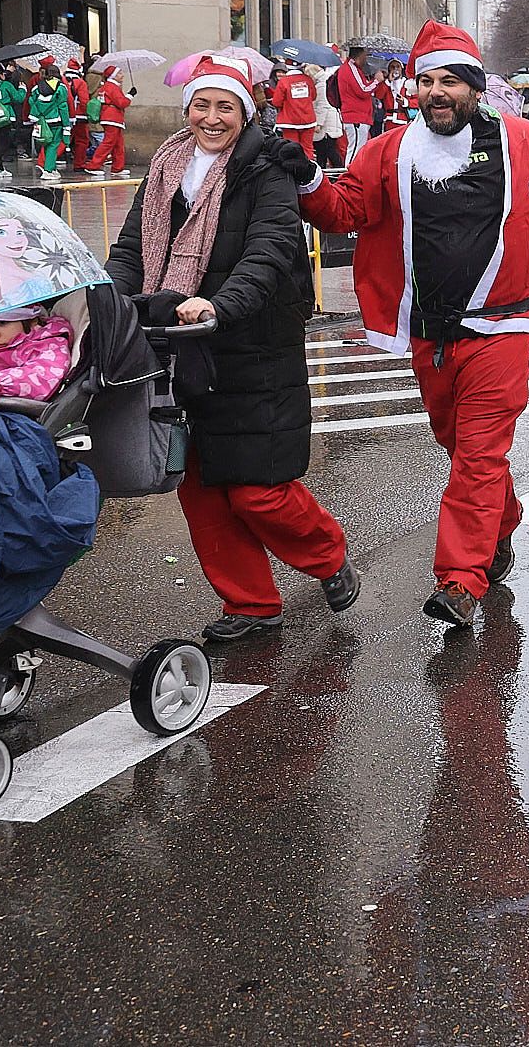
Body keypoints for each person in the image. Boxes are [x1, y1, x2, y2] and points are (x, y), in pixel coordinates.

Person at [280, 22, 529, 630]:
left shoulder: (524, 141)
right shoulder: (387, 150)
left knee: (480, 453)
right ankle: (496, 528)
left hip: (501, 328)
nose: (436, 92)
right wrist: (303, 176)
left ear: (474, 89)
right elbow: (343, 210)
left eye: (450, 81)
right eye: (426, 80)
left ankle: (460, 580)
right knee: (460, 447)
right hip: (429, 334)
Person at [106, 56, 356, 643]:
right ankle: (249, 603)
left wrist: (222, 305)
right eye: (202, 105)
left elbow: (268, 251)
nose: (212, 118)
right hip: (174, 344)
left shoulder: (267, 169)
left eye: (225, 107)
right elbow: (131, 249)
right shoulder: (166, 165)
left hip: (252, 345)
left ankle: (326, 554)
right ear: (186, 109)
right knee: (199, 485)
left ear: (246, 113)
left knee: (259, 489)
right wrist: (107, 299)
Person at [84, 63, 133, 177]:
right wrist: (130, 95)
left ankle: (117, 167)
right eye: (119, 73)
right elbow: (122, 103)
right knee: (108, 143)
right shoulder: (112, 87)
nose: (122, 75)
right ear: (113, 76)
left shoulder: (106, 86)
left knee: (118, 144)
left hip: (109, 117)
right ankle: (93, 165)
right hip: (113, 118)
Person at [27, 60, 72, 182]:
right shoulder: (61, 87)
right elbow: (63, 106)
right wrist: (66, 124)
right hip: (55, 121)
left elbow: (31, 101)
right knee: (53, 145)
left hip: (41, 121)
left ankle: (51, 169)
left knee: (46, 144)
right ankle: (48, 170)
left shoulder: (37, 87)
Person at [334, 46, 379, 158]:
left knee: (358, 149)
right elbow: (363, 90)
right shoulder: (350, 68)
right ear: (360, 55)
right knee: (355, 150)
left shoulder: (353, 69)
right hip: (355, 116)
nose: (366, 59)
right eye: (365, 55)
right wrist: (376, 81)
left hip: (358, 116)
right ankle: (349, 173)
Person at [269, 61, 320, 158]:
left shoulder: (283, 82)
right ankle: (309, 170)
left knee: (292, 149)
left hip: (289, 121)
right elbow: (313, 96)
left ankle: (295, 171)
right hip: (308, 120)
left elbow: (276, 102)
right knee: (308, 148)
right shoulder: (308, 79)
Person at [308, 63, 344, 168]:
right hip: (330, 121)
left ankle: (337, 171)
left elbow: (322, 106)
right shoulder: (325, 82)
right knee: (327, 151)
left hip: (326, 125)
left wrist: (318, 123)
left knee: (326, 151)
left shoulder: (321, 85)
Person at [63, 56, 91, 170]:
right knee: (82, 140)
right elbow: (84, 101)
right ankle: (79, 164)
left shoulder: (63, 80)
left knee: (63, 140)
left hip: (65, 115)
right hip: (79, 116)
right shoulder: (80, 83)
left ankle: (46, 161)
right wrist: (88, 113)